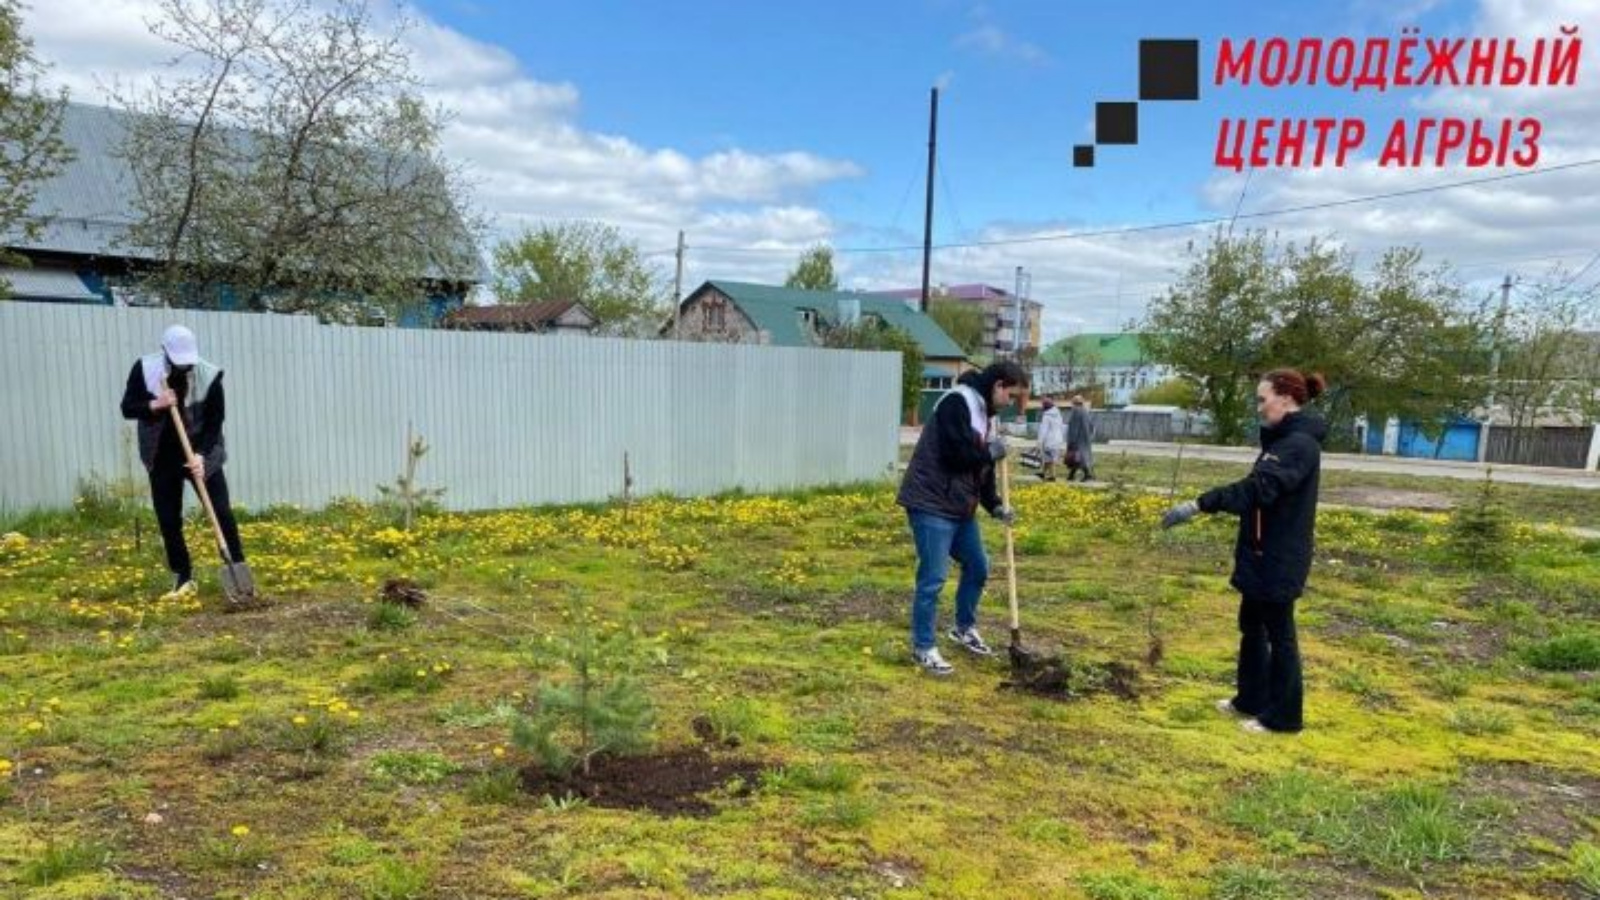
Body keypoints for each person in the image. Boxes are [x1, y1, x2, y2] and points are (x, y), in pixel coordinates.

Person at [1161, 369, 1327, 734]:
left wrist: (1199, 505)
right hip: (1259, 551)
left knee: (1280, 634)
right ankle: (1250, 698)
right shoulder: (1281, 440)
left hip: (1278, 557)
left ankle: (1284, 718)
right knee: (1251, 625)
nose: (1259, 408)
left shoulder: (1298, 445)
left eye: (1262, 399)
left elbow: (1257, 490)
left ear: (1285, 398)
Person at [896, 361, 1029, 675]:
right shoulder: (958, 402)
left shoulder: (986, 416)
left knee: (978, 566)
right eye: (1011, 395)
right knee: (933, 578)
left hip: (960, 508)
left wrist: (994, 504)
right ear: (997, 385)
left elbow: (980, 471)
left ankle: (963, 628)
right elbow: (956, 457)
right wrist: (989, 454)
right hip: (931, 503)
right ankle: (923, 647)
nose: (1011, 403)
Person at [119, 325, 246, 598]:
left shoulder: (209, 375)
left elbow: (215, 423)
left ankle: (238, 569)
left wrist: (200, 456)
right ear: (164, 351)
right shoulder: (144, 369)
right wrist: (156, 404)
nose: (185, 367)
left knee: (221, 511)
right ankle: (183, 577)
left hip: (202, 451)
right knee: (168, 518)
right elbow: (127, 407)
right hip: (160, 455)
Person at [1065, 395, 1095, 482]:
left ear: (1074, 402)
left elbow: (1074, 427)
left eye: (1072, 402)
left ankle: (1088, 475)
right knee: (1077, 457)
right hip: (1086, 439)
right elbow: (1091, 426)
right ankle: (1071, 475)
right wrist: (1089, 437)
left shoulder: (1076, 411)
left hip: (1078, 440)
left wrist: (1072, 441)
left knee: (1079, 457)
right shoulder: (1085, 411)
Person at [1036, 398, 1065, 481]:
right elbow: (1061, 427)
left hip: (1049, 441)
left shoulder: (1046, 416)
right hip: (1057, 440)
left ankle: (1053, 476)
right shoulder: (1058, 414)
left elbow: (1043, 430)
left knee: (1050, 459)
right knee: (1048, 458)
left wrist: (1039, 442)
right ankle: (1043, 473)